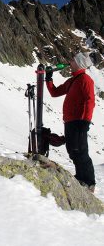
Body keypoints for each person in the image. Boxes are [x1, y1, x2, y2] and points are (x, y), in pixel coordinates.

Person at [45, 52, 96, 192]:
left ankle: (89, 182)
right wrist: (48, 78)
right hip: (69, 121)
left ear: (79, 63)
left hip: (79, 122)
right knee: (73, 151)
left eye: (73, 60)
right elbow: (55, 92)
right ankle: (80, 178)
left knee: (81, 151)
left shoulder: (85, 79)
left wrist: (85, 121)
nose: (70, 61)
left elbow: (89, 101)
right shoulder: (72, 80)